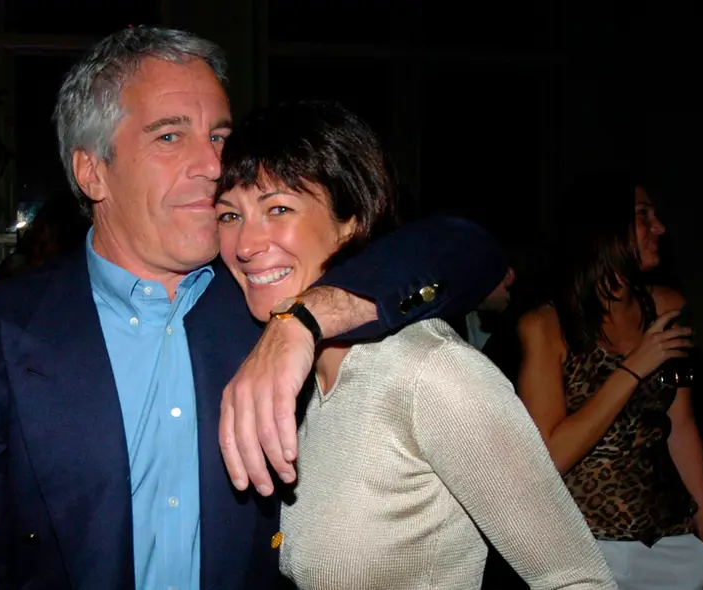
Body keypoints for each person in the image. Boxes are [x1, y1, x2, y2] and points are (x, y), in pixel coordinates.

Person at [0, 26, 508, 589]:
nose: (212, 166)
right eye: (170, 136)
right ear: (92, 171)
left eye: (220, 137)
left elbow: (469, 248)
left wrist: (304, 322)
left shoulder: (269, 294)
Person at [214, 99, 615, 589]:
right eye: (229, 215)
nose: (245, 244)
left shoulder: (428, 371)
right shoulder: (301, 376)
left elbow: (575, 579)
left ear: (352, 220)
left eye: (278, 208)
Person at [516, 172, 703, 589]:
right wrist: (633, 368)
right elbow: (550, 457)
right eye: (643, 216)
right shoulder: (548, 326)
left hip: (670, 543)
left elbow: (680, 424)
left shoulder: (665, 306)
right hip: (581, 547)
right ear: (604, 230)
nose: (658, 227)